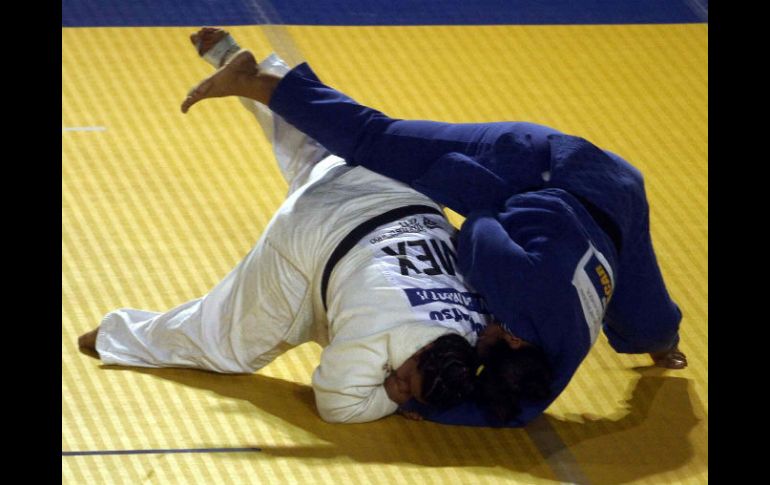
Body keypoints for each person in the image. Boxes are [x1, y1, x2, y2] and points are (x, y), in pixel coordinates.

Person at [179, 32, 688, 427]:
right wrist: (443, 176)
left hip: (618, 201)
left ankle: (663, 344)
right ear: (510, 339)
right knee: (377, 141)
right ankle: (255, 79)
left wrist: (428, 407)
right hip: (541, 164)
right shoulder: (509, 280)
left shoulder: (555, 357)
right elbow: (477, 223)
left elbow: (517, 413)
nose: (478, 330)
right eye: (486, 336)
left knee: (649, 325)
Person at [77, 34, 495, 425]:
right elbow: (338, 406)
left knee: (318, 143)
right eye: (407, 381)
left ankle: (238, 64)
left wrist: (411, 388)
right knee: (227, 345)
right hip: (317, 234)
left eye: (405, 392)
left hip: (399, 190)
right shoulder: (378, 338)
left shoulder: (478, 326)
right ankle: (117, 336)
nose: (399, 388)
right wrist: (391, 397)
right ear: (423, 354)